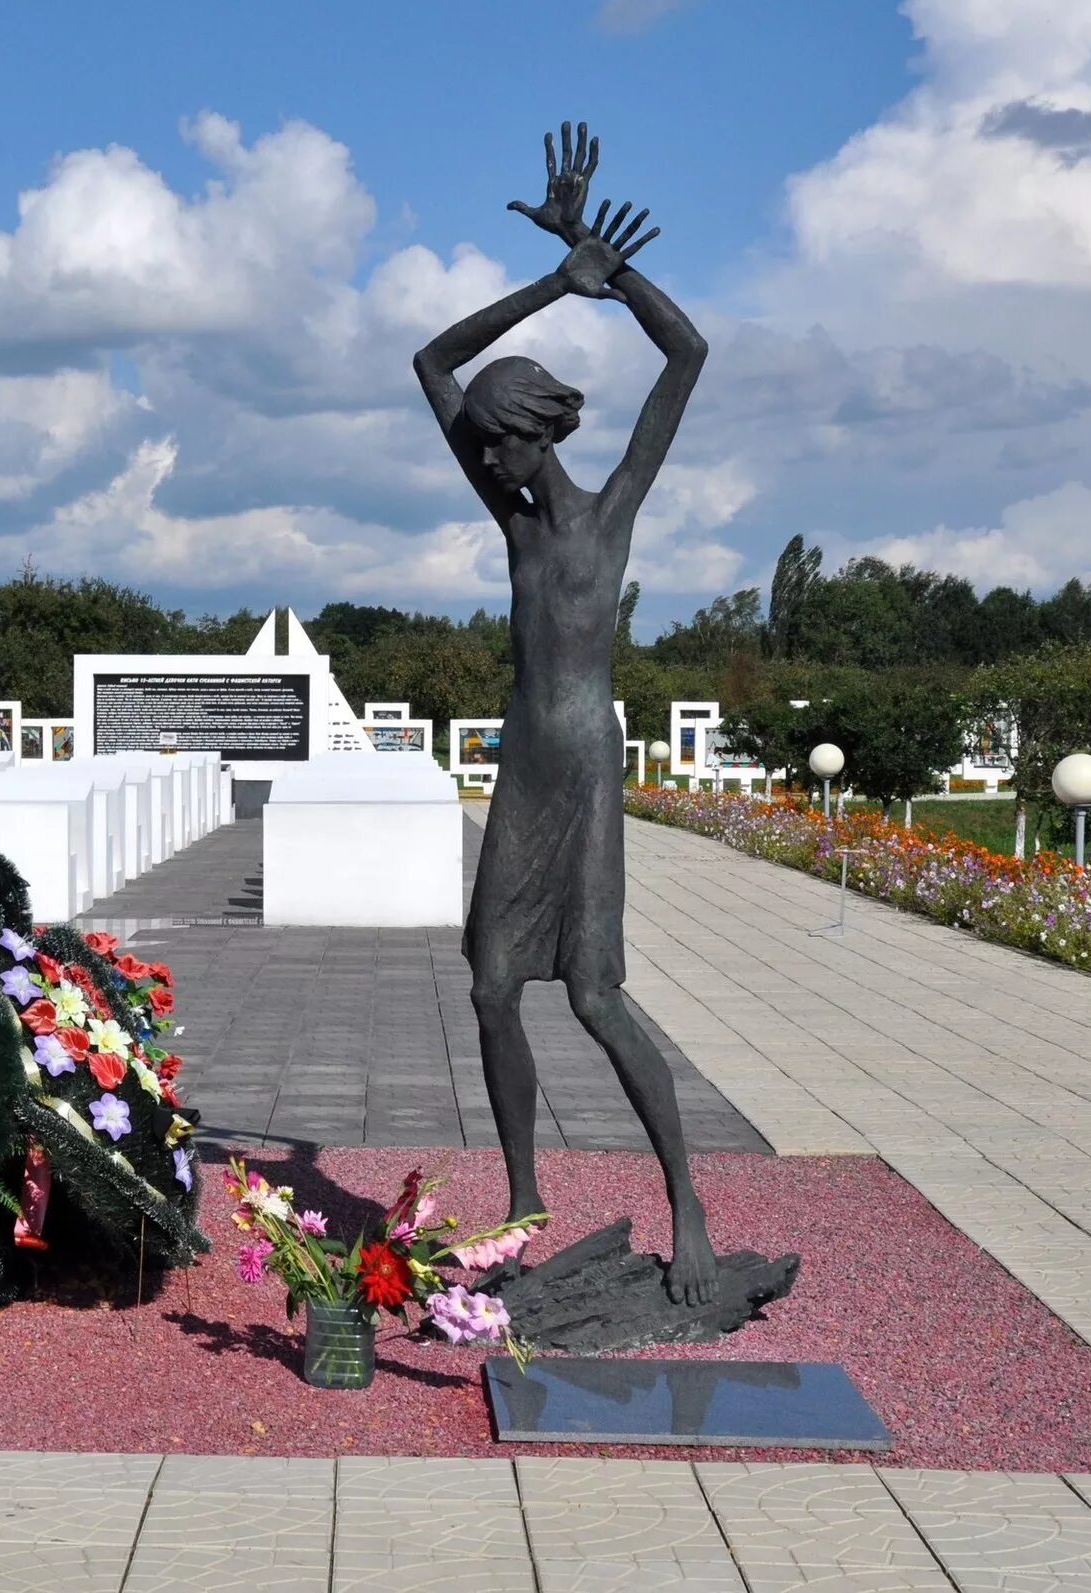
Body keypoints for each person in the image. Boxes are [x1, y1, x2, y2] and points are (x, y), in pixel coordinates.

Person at [413, 122, 717, 1305]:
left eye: (498, 447)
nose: (483, 466)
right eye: (480, 450)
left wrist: (611, 266)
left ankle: (688, 1199)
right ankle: (527, 1197)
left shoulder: (607, 515)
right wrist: (550, 277)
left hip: (586, 766)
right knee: (491, 987)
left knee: (593, 996)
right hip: (525, 769)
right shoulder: (514, 522)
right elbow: (431, 365)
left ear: (536, 435)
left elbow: (686, 356)